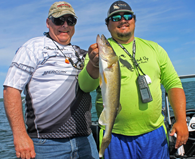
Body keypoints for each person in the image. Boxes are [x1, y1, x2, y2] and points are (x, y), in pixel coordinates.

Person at [78, 0, 189, 158]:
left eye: (127, 16)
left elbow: (173, 84)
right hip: (115, 135)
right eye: (115, 18)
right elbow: (85, 86)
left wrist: (181, 120)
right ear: (107, 24)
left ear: (134, 20)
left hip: (154, 134)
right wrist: (94, 64)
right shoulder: (97, 53)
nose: (123, 20)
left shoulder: (154, 49)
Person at [3, 1, 99, 159]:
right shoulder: (33, 47)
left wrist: (97, 61)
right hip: (46, 145)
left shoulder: (82, 53)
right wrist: (20, 135)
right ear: (48, 22)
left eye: (71, 21)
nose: (65, 25)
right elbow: (11, 89)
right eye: (59, 20)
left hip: (85, 139)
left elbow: (92, 82)